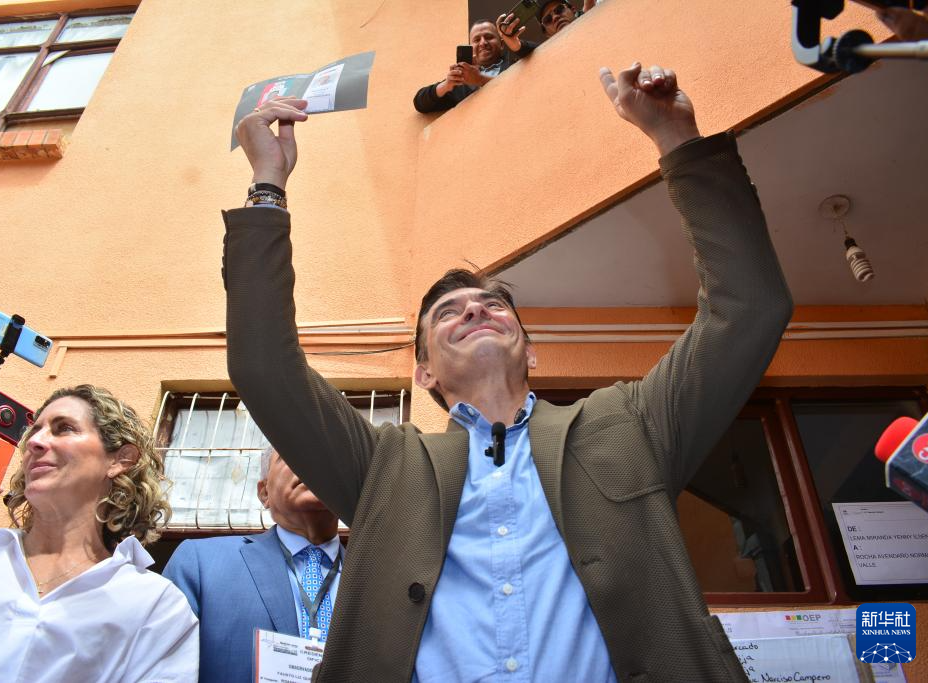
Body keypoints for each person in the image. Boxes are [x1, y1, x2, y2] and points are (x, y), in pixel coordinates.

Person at [225, 60, 792, 681]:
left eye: (494, 305)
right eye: (447, 313)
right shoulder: (384, 467)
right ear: (424, 374)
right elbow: (265, 367)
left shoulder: (630, 426)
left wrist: (678, 139)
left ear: (532, 351)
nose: (474, 308)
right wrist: (268, 180)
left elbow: (749, 306)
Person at [0, 385, 199, 683]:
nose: (35, 442)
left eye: (64, 429)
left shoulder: (155, 607)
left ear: (119, 460)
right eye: (34, 431)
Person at [164, 447, 342, 683]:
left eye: (326, 458)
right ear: (264, 492)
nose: (311, 464)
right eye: (291, 455)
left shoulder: (381, 581)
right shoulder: (200, 564)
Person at [413, 19, 536, 113]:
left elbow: (542, 57)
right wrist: (447, 84)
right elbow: (420, 103)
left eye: (489, 37)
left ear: (502, 44)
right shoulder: (462, 83)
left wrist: (480, 79)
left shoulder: (517, 63)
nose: (483, 43)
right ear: (471, 48)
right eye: (477, 40)